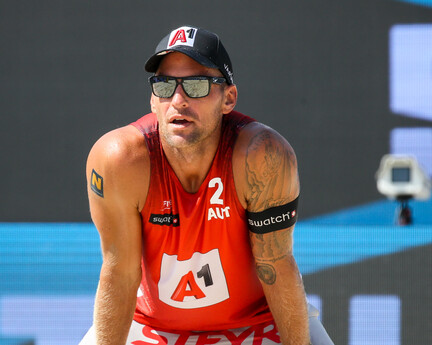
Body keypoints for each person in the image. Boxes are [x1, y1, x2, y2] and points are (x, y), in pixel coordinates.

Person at [81, 26, 332, 345]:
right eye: (165, 84)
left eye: (196, 85)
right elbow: (121, 274)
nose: (178, 99)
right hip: (151, 326)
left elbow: (276, 267)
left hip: (256, 323)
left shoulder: (261, 155)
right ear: (153, 99)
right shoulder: (119, 159)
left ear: (229, 98)